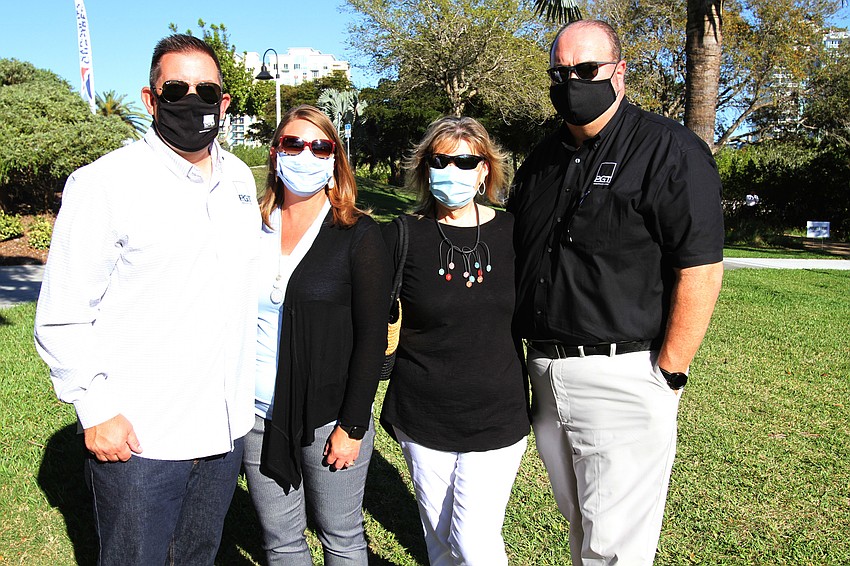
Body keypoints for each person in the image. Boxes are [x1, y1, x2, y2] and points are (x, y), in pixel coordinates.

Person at [33, 34, 259, 565]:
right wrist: (96, 410)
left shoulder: (239, 180)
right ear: (150, 99)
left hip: (224, 431)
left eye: (207, 91)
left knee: (197, 556)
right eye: (176, 89)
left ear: (224, 102)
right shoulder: (105, 184)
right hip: (141, 438)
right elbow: (63, 316)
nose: (193, 101)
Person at [507, 20, 725, 565]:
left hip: (622, 375)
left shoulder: (668, 149)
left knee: (614, 549)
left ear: (620, 72)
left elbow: (700, 268)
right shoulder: (542, 159)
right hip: (544, 375)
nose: (572, 83)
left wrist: (669, 372)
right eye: (560, 73)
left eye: (586, 70)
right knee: (582, 528)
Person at [242, 104, 392, 565]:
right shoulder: (249, 227)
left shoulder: (358, 234)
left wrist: (352, 425)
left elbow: (372, 339)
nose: (306, 155)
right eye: (294, 144)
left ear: (334, 160)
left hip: (329, 416)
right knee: (280, 540)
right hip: (256, 413)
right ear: (275, 154)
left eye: (320, 146)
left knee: (341, 536)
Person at [381, 116, 530, 566]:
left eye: (466, 161)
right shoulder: (402, 234)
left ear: (485, 169)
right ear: (425, 168)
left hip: (497, 415)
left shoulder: (515, 233)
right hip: (422, 414)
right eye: (441, 160)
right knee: (440, 542)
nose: (453, 170)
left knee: (472, 542)